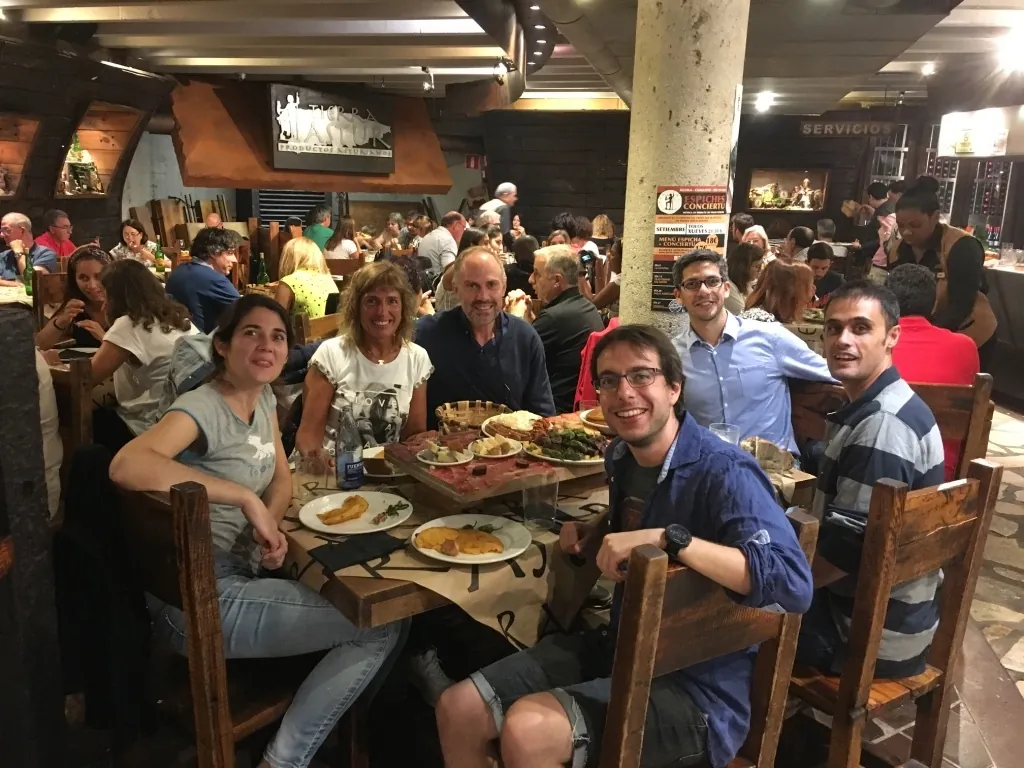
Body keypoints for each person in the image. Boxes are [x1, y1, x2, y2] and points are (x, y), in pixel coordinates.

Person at [436, 324, 813, 768]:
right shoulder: (620, 458)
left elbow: (792, 582)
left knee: (527, 731)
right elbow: (636, 517)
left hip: (698, 691)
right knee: (457, 708)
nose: (624, 392)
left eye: (641, 375)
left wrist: (669, 540)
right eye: (609, 380)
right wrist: (597, 530)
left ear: (674, 388)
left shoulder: (724, 471)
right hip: (621, 645)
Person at [109, 295, 405, 768]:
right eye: (251, 333)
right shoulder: (202, 405)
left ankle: (334, 729)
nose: (266, 345)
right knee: (381, 623)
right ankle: (284, 760)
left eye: (278, 336)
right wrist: (244, 498)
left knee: (371, 594)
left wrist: (270, 523)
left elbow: (282, 476)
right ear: (222, 346)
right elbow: (127, 464)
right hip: (197, 599)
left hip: (234, 577)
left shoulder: (262, 395)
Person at [796, 280, 944, 679]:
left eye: (860, 328)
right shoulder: (886, 400)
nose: (842, 340)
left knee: (725, 617)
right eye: (833, 328)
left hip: (867, 636)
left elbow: (846, 550)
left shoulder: (881, 424)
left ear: (891, 336)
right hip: (897, 619)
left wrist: (778, 589)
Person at [671, 249, 833, 454]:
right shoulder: (673, 355)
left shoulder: (769, 337)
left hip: (772, 470)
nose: (704, 291)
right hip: (711, 466)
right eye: (692, 284)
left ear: (726, 289)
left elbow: (834, 373)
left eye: (712, 282)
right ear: (678, 296)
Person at [295, 261, 432, 454]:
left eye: (392, 301)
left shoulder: (417, 358)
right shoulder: (332, 354)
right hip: (336, 472)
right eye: (372, 301)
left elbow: (413, 438)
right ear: (356, 307)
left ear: (404, 308)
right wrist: (320, 464)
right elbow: (308, 437)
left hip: (388, 475)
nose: (382, 312)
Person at [415, 246, 554, 429]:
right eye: (472, 285)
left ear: (504, 287)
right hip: (443, 452)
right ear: (455, 289)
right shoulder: (425, 335)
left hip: (510, 450)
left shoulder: (525, 338)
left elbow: (542, 414)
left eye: (491, 285)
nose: (483, 296)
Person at [91, 259, 201, 446]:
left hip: (148, 427)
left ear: (117, 298)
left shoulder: (129, 323)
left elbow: (87, 378)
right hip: (188, 421)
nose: (103, 306)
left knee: (89, 418)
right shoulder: (178, 318)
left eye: (106, 297)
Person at [885, 264, 978, 480]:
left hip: (878, 468)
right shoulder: (965, 346)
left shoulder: (876, 344)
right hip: (943, 474)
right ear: (934, 303)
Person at [506, 245, 604, 414]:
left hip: (550, 414)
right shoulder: (586, 307)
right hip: (575, 407)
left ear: (557, 281)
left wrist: (514, 318)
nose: (530, 279)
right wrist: (530, 321)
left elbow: (509, 359)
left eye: (536, 273)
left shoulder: (554, 317)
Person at [890, 184, 981, 276]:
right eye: (900, 225)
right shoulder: (896, 249)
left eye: (915, 225)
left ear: (935, 217)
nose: (906, 232)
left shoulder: (961, 246)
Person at [164, 227, 240, 334]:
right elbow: (247, 310)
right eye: (230, 253)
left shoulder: (180, 270)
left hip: (177, 338)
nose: (235, 260)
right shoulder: (214, 279)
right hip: (201, 344)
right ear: (214, 252)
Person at [934, 246, 998, 372]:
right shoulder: (902, 248)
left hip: (973, 327)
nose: (907, 232)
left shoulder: (961, 247)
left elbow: (963, 302)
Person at [35, 245, 110, 351]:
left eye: (98, 276)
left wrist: (104, 338)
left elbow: (137, 359)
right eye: (83, 278)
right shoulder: (76, 307)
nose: (92, 285)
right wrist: (61, 321)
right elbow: (39, 346)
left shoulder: (127, 308)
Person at [274, 236, 339, 319]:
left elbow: (275, 320)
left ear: (287, 259)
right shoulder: (328, 279)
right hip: (328, 331)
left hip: (300, 331)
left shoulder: (289, 282)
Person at [742, 258, 816, 324]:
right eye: (808, 285)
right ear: (791, 290)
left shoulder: (779, 316)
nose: (813, 288)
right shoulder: (760, 320)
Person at [0, 212, 58, 285]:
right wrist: (18, 284)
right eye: (1, 231)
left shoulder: (45, 254)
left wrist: (19, 254)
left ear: (22, 231)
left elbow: (32, 281)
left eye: (7, 230)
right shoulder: (3, 256)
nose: (1, 235)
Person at [417, 211, 467, 280]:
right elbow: (450, 271)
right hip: (438, 286)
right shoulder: (448, 240)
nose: (464, 231)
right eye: (463, 227)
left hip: (426, 284)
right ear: (456, 225)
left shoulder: (427, 236)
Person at [579, 237, 622, 317]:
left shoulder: (619, 280)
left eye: (612, 254)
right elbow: (597, 295)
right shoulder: (616, 275)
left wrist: (580, 273)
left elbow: (593, 305)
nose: (608, 256)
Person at [863, 181, 896, 274]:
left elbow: (884, 238)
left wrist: (862, 246)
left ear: (871, 197)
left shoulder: (883, 212)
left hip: (880, 258)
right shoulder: (889, 207)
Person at [725, 242, 763, 315]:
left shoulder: (748, 283)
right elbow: (745, 315)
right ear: (743, 267)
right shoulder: (729, 287)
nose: (760, 270)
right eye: (757, 266)